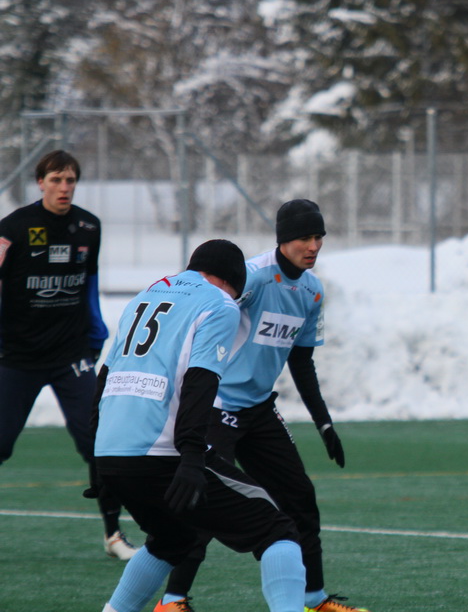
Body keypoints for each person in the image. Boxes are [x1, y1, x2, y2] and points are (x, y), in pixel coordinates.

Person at [157, 200, 366, 612]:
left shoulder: (312, 291)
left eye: (318, 237)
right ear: (283, 239)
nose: (313, 246)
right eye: (304, 238)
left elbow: (301, 362)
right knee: (205, 500)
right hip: (217, 408)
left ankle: (313, 599)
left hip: (258, 411)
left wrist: (324, 423)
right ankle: (172, 600)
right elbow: (200, 317)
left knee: (300, 497)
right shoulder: (251, 276)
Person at [92, 239, 307, 612]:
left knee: (172, 539)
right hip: (162, 452)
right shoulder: (220, 303)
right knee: (278, 530)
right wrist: (192, 455)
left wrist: (98, 459)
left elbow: (105, 377)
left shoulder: (144, 296)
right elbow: (200, 381)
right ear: (230, 281)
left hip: (111, 450)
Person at [0, 149, 137, 559]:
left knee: (100, 442)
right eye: (56, 180)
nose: (64, 188)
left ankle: (113, 536)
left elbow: (89, 284)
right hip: (17, 357)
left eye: (70, 180)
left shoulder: (88, 227)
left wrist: (96, 334)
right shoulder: (13, 229)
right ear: (40, 182)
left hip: (71, 355)